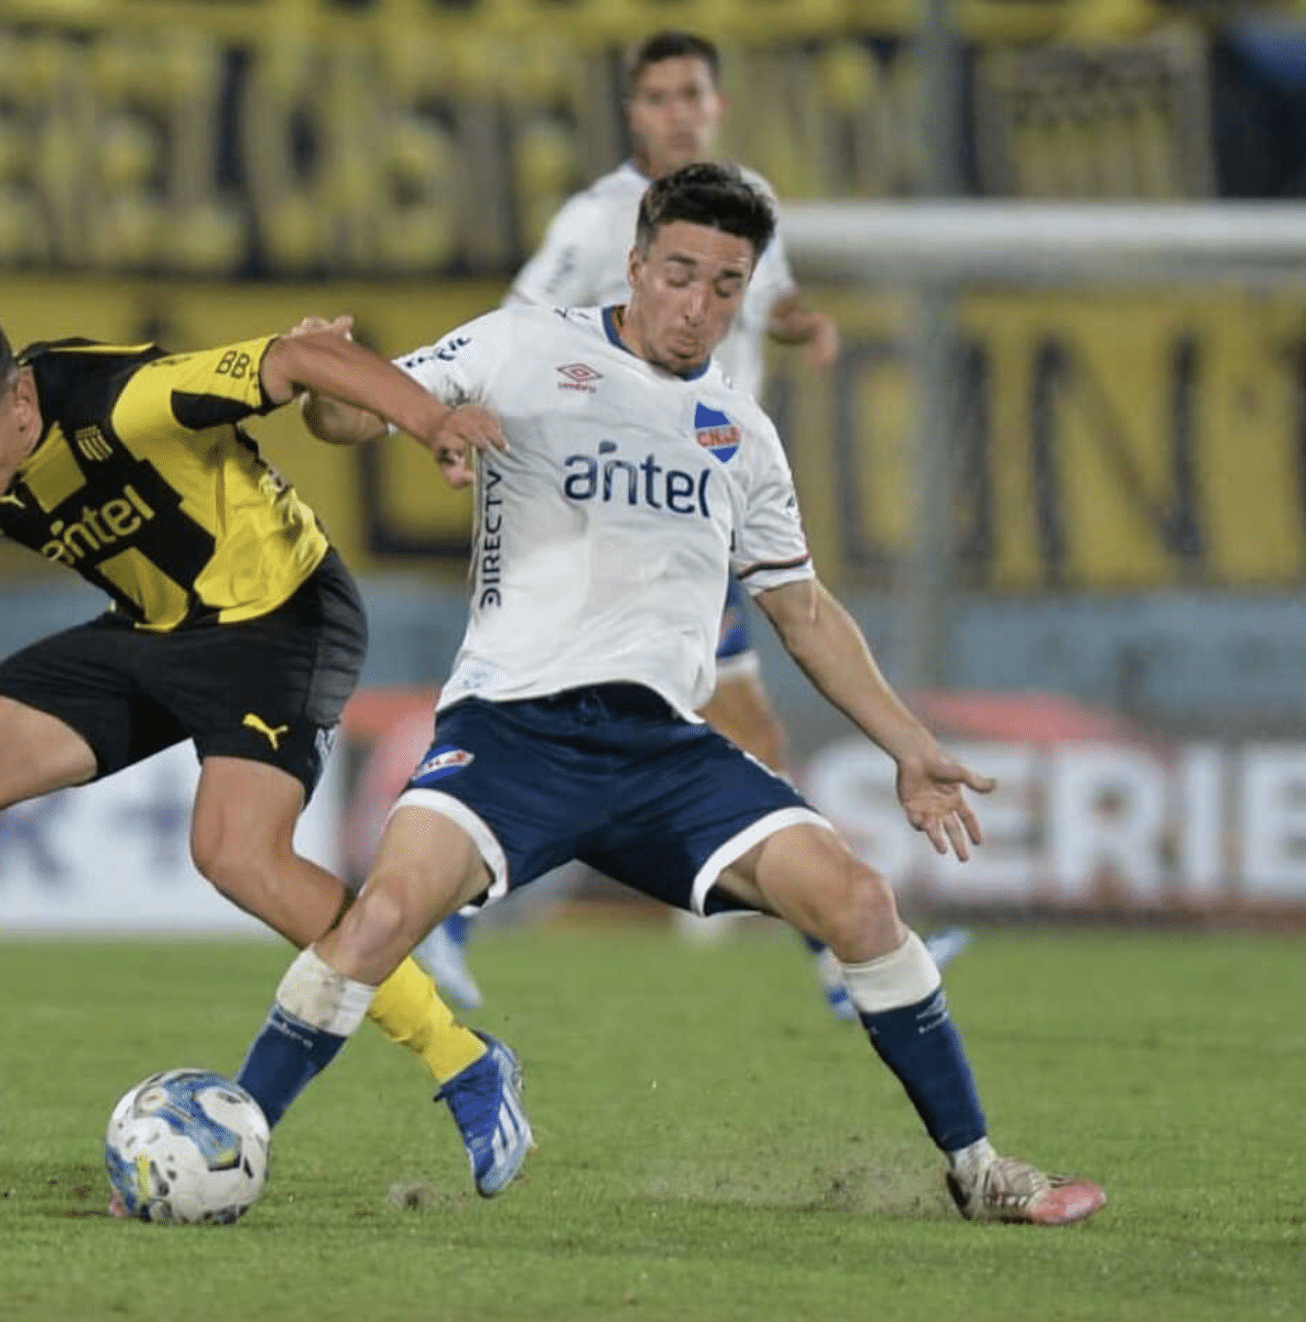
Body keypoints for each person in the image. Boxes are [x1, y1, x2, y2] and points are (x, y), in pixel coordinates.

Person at [234, 164, 1106, 1226]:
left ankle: (978, 1168)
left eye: (725, 285)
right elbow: (351, 419)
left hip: (663, 752)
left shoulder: (741, 434)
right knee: (377, 919)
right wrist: (330, 384)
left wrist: (908, 743)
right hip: (513, 729)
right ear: (637, 263)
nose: (697, 306)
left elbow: (804, 611)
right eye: (679, 274)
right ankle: (231, 1137)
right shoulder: (523, 344)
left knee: (861, 901)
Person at [0, 301, 527, 1196]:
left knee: (237, 855)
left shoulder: (128, 400)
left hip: (280, 620)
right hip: (155, 628)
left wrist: (431, 420)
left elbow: (298, 358)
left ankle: (467, 1063)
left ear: (18, 399)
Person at [414, 29, 965, 1018]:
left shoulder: (747, 203)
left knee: (744, 725)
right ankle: (834, 956)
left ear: (714, 105)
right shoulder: (592, 222)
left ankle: (835, 950)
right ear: (634, 113)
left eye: (693, 96)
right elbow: (515, 330)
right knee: (653, 721)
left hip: (703, 503)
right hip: (610, 511)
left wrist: (799, 323)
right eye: (660, 97)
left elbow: (772, 300)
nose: (679, 112)